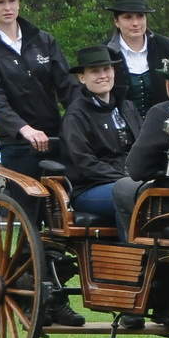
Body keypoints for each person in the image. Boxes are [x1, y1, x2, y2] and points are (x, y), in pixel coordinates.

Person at [0, 0, 81, 192]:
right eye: (0, 2)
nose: (7, 7)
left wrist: (80, 122)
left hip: (55, 138)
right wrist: (24, 129)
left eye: (12, 0)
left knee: (62, 211)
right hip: (19, 145)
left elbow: (67, 85)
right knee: (27, 208)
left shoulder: (43, 40)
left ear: (19, 3)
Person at [112, 53, 169, 241]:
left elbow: (136, 170)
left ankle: (138, 250)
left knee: (120, 187)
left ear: (168, 83)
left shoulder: (161, 112)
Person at [61, 45, 142, 237]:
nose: (103, 75)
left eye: (107, 69)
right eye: (95, 71)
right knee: (128, 195)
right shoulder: (76, 116)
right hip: (89, 188)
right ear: (82, 77)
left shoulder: (128, 107)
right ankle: (133, 258)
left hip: (133, 181)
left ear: (113, 71)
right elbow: (85, 163)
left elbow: (143, 147)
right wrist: (123, 179)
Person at [105, 0, 169, 116]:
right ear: (116, 21)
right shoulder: (105, 53)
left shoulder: (166, 47)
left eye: (140, 16)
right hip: (120, 131)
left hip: (163, 126)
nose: (135, 23)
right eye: (128, 17)